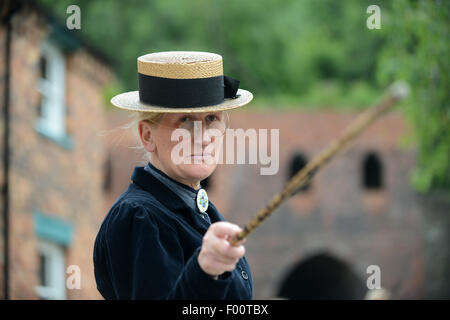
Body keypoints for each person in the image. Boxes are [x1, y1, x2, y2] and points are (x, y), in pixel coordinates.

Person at [93, 51, 254, 299]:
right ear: (147, 136)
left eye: (212, 118)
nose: (202, 137)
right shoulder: (140, 217)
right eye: (185, 120)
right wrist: (205, 271)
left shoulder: (202, 211)